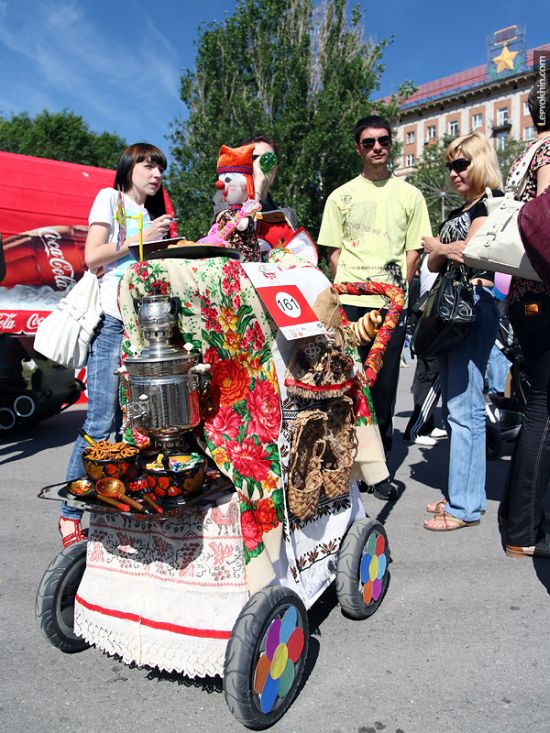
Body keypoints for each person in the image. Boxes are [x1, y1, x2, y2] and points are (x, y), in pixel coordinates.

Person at [59, 143, 174, 547]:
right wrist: (143, 238)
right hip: (111, 322)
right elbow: (94, 256)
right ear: (128, 169)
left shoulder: (150, 216)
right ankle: (70, 512)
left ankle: (114, 505)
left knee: (134, 425)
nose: (156, 173)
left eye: (160, 167)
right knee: (100, 423)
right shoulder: (110, 199)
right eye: (147, 165)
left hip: (141, 330)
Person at [317, 114, 431, 500]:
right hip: (348, 304)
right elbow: (333, 252)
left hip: (389, 304)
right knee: (344, 386)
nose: (377, 147)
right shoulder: (340, 196)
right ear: (358, 148)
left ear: (390, 143)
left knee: (382, 389)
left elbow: (414, 251)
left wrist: (396, 293)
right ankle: (339, 465)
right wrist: (351, 292)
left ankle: (377, 471)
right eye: (369, 142)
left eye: (383, 140)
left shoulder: (409, 195)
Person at [421, 132, 502, 531]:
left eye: (461, 163)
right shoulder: (465, 208)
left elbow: (471, 254)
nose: (453, 172)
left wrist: (437, 245)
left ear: (480, 161)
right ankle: (461, 495)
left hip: (474, 306)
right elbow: (436, 265)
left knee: (466, 408)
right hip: (454, 309)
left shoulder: (490, 204)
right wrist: (442, 250)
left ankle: (466, 506)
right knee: (455, 408)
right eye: (450, 164)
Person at [500, 78, 550, 558]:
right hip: (544, 288)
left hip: (523, 292)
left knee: (538, 406)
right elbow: (545, 217)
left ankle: (519, 523)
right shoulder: (549, 152)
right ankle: (524, 530)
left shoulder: (525, 152)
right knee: (544, 411)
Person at [404, 255, 445, 446]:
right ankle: (415, 429)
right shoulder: (439, 253)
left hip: (429, 320)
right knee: (432, 377)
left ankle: (426, 425)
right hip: (433, 321)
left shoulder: (434, 253)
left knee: (426, 375)